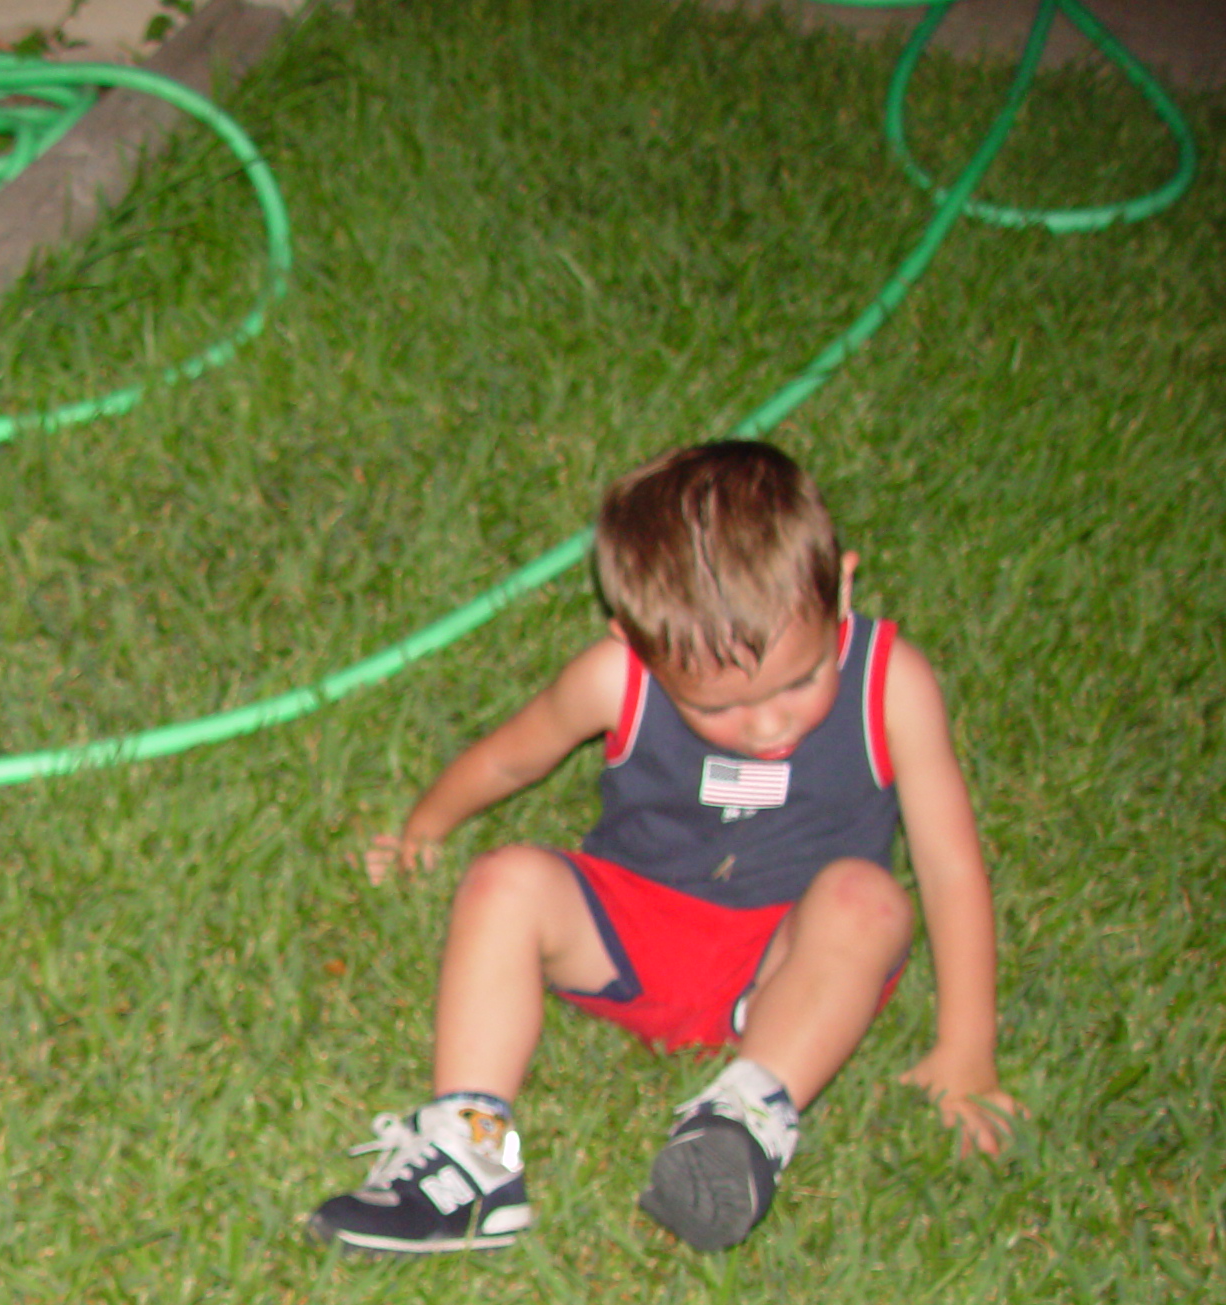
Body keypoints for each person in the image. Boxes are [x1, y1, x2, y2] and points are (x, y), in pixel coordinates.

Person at [312, 440, 1017, 1258]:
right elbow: (514, 756)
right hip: (638, 932)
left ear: (843, 586)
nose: (769, 726)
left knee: (870, 897)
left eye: (799, 681)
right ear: (636, 644)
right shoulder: (614, 679)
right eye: (721, 707)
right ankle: (470, 1160)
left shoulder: (893, 682)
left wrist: (967, 1047)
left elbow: (950, 865)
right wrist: (423, 828)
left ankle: (745, 1115)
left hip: (797, 960)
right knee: (506, 879)